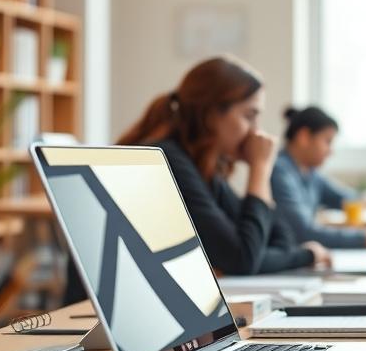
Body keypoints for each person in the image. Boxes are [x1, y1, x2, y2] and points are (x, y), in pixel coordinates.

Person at [116, 56, 331, 274]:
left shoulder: (203, 168)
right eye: (249, 116)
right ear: (211, 114)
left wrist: (300, 255)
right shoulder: (169, 159)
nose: (256, 131)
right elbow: (242, 259)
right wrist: (260, 169)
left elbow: (274, 244)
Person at [270, 105, 366, 249]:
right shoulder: (280, 172)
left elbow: (343, 198)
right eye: (327, 141)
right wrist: (365, 238)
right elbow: (303, 233)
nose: (330, 151)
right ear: (304, 137)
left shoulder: (310, 173)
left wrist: (365, 199)